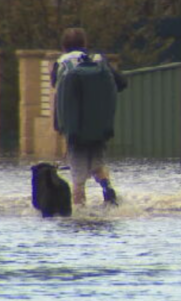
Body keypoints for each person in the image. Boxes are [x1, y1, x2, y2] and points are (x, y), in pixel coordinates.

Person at [51, 27, 127, 207]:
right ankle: (107, 188)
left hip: (75, 128)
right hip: (98, 126)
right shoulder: (98, 60)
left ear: (63, 46)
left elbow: (58, 90)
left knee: (78, 177)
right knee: (97, 164)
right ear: (85, 44)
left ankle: (80, 212)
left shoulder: (61, 63)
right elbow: (122, 83)